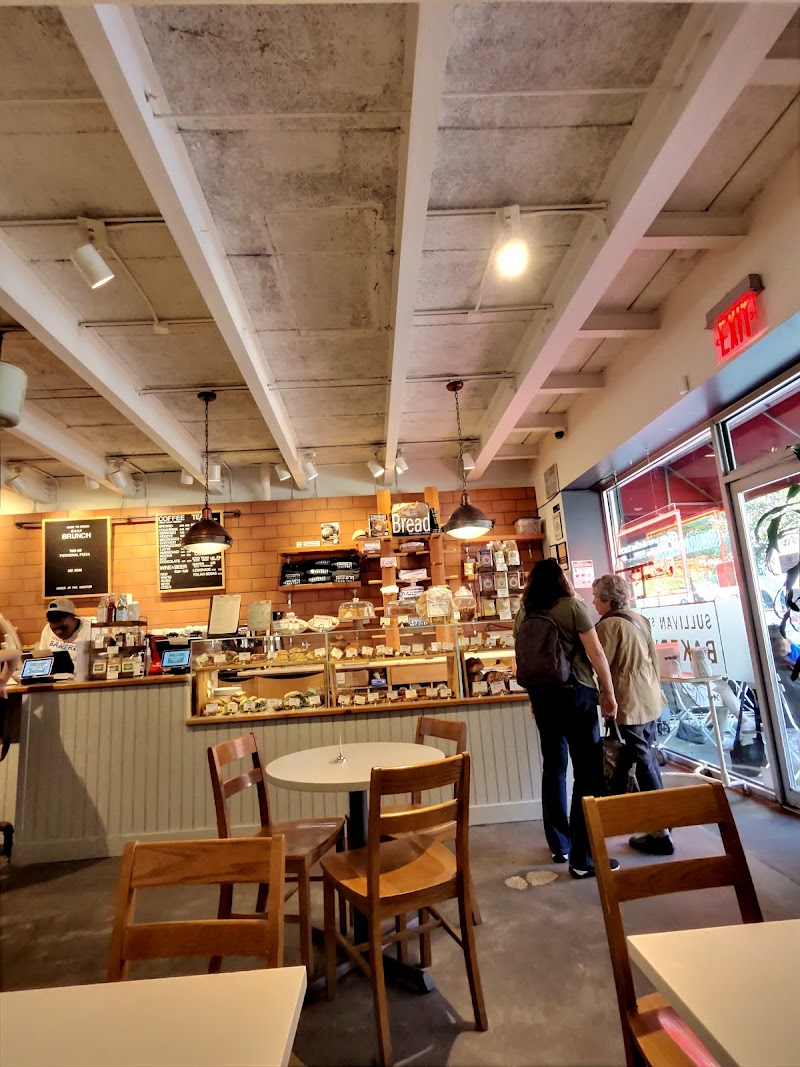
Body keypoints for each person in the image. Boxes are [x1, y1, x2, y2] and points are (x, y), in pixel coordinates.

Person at [514, 559, 618, 879]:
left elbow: (524, 659)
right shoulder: (573, 607)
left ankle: (559, 845)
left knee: (554, 767)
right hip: (576, 694)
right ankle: (583, 858)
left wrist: (534, 697)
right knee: (588, 774)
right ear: (561, 580)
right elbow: (596, 653)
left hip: (542, 698)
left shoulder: (524, 612)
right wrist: (608, 693)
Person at [592, 573, 673, 856]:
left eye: (596, 597)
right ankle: (658, 822)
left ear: (606, 599)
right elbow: (652, 659)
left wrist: (603, 697)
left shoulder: (608, 626)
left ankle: (660, 833)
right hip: (649, 697)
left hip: (628, 700)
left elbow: (601, 665)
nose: (594, 602)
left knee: (642, 760)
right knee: (643, 756)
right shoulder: (639, 618)